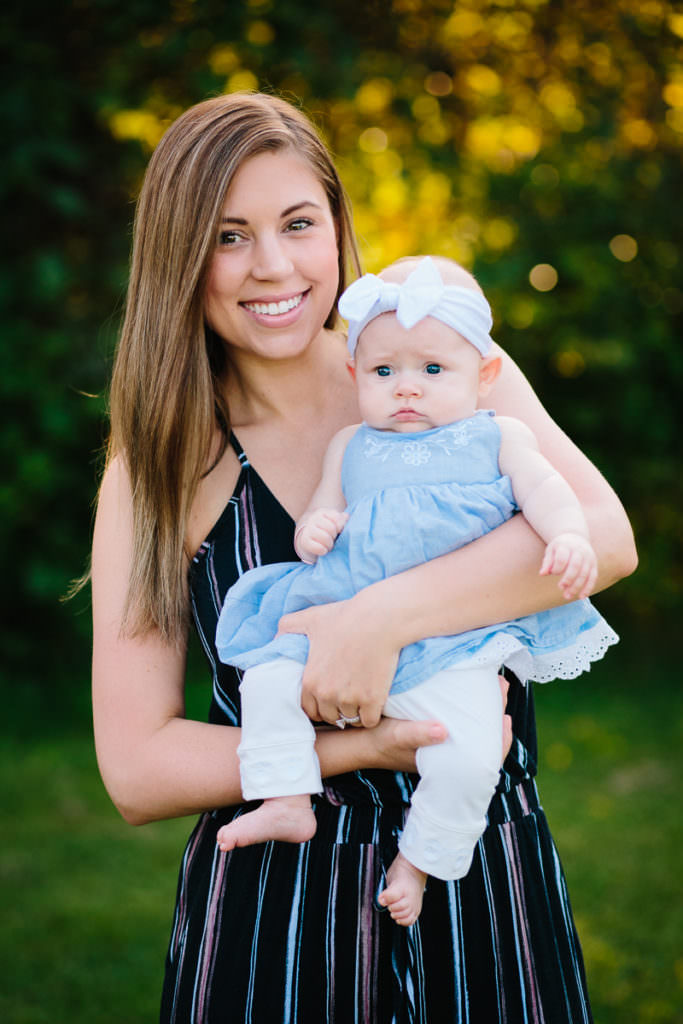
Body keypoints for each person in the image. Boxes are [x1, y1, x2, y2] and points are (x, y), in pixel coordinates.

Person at [90, 91, 637, 1022]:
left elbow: (602, 534)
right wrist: (364, 747)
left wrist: (375, 621)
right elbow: (139, 769)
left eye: (297, 224)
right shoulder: (161, 465)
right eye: (229, 236)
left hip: (480, 874)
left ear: (337, 225)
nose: (272, 266)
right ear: (179, 257)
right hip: (278, 908)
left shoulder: (438, 368)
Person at [213, 254, 618, 926]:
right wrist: (317, 528)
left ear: (483, 376)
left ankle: (423, 858)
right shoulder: (352, 442)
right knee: (265, 682)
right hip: (340, 622)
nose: (406, 388)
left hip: (451, 644)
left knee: (468, 754)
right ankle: (284, 796)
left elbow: (548, 493)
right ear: (356, 375)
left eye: (432, 371)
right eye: (383, 372)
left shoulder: (496, 436)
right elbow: (323, 507)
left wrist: (569, 536)